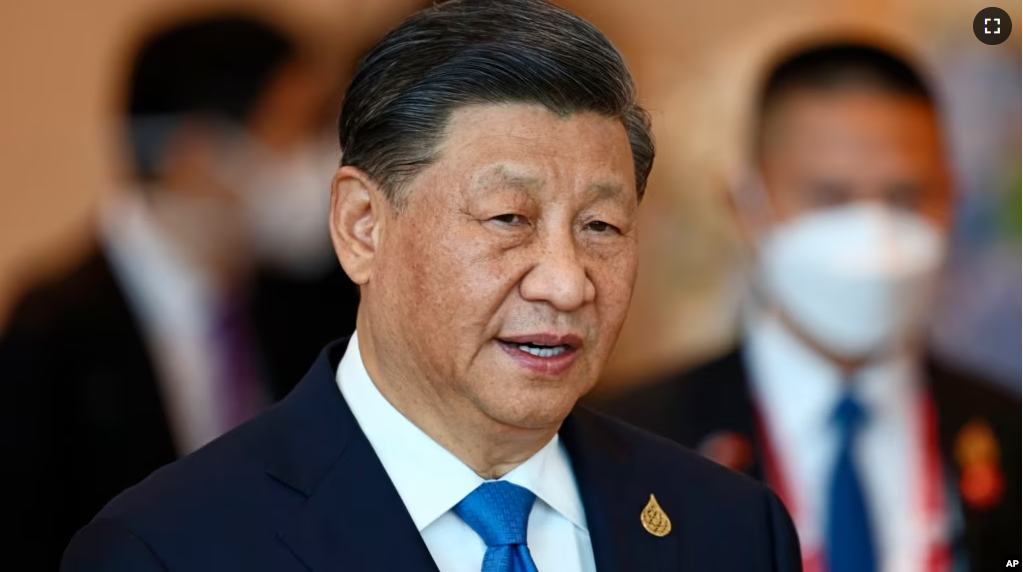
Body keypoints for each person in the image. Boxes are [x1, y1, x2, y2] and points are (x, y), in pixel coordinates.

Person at [59, 1, 802, 570]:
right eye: (509, 217)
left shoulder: (726, 528)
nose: (565, 283)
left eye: (600, 228)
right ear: (361, 226)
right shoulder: (172, 548)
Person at [603, 41, 1020, 572]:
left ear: (952, 201)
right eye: (830, 198)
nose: (873, 236)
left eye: (905, 196)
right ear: (746, 204)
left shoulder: (1011, 436)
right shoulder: (634, 443)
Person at [0, 13, 358, 569]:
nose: (327, 160)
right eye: (297, 128)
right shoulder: (50, 336)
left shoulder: (310, 301)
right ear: (193, 154)